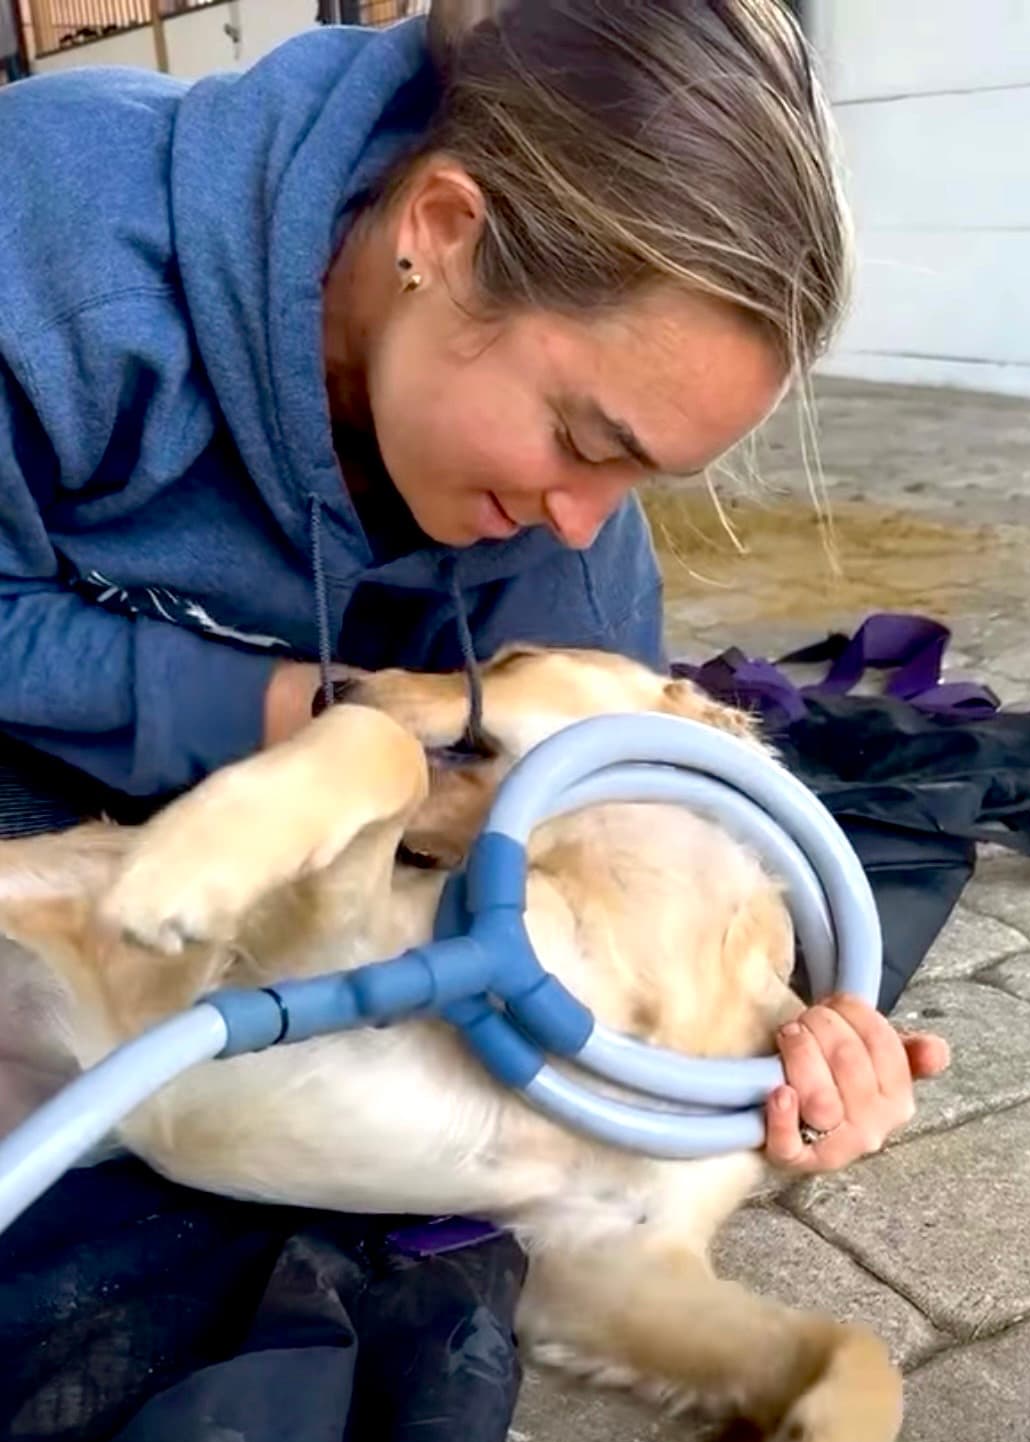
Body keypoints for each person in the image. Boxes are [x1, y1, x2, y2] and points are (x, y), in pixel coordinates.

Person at [0, 0, 946, 1158]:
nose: (581, 519)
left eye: (644, 475)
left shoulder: (571, 562)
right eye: (586, 439)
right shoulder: (50, 247)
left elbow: (602, 850)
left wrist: (792, 1029)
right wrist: (296, 712)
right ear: (444, 228)